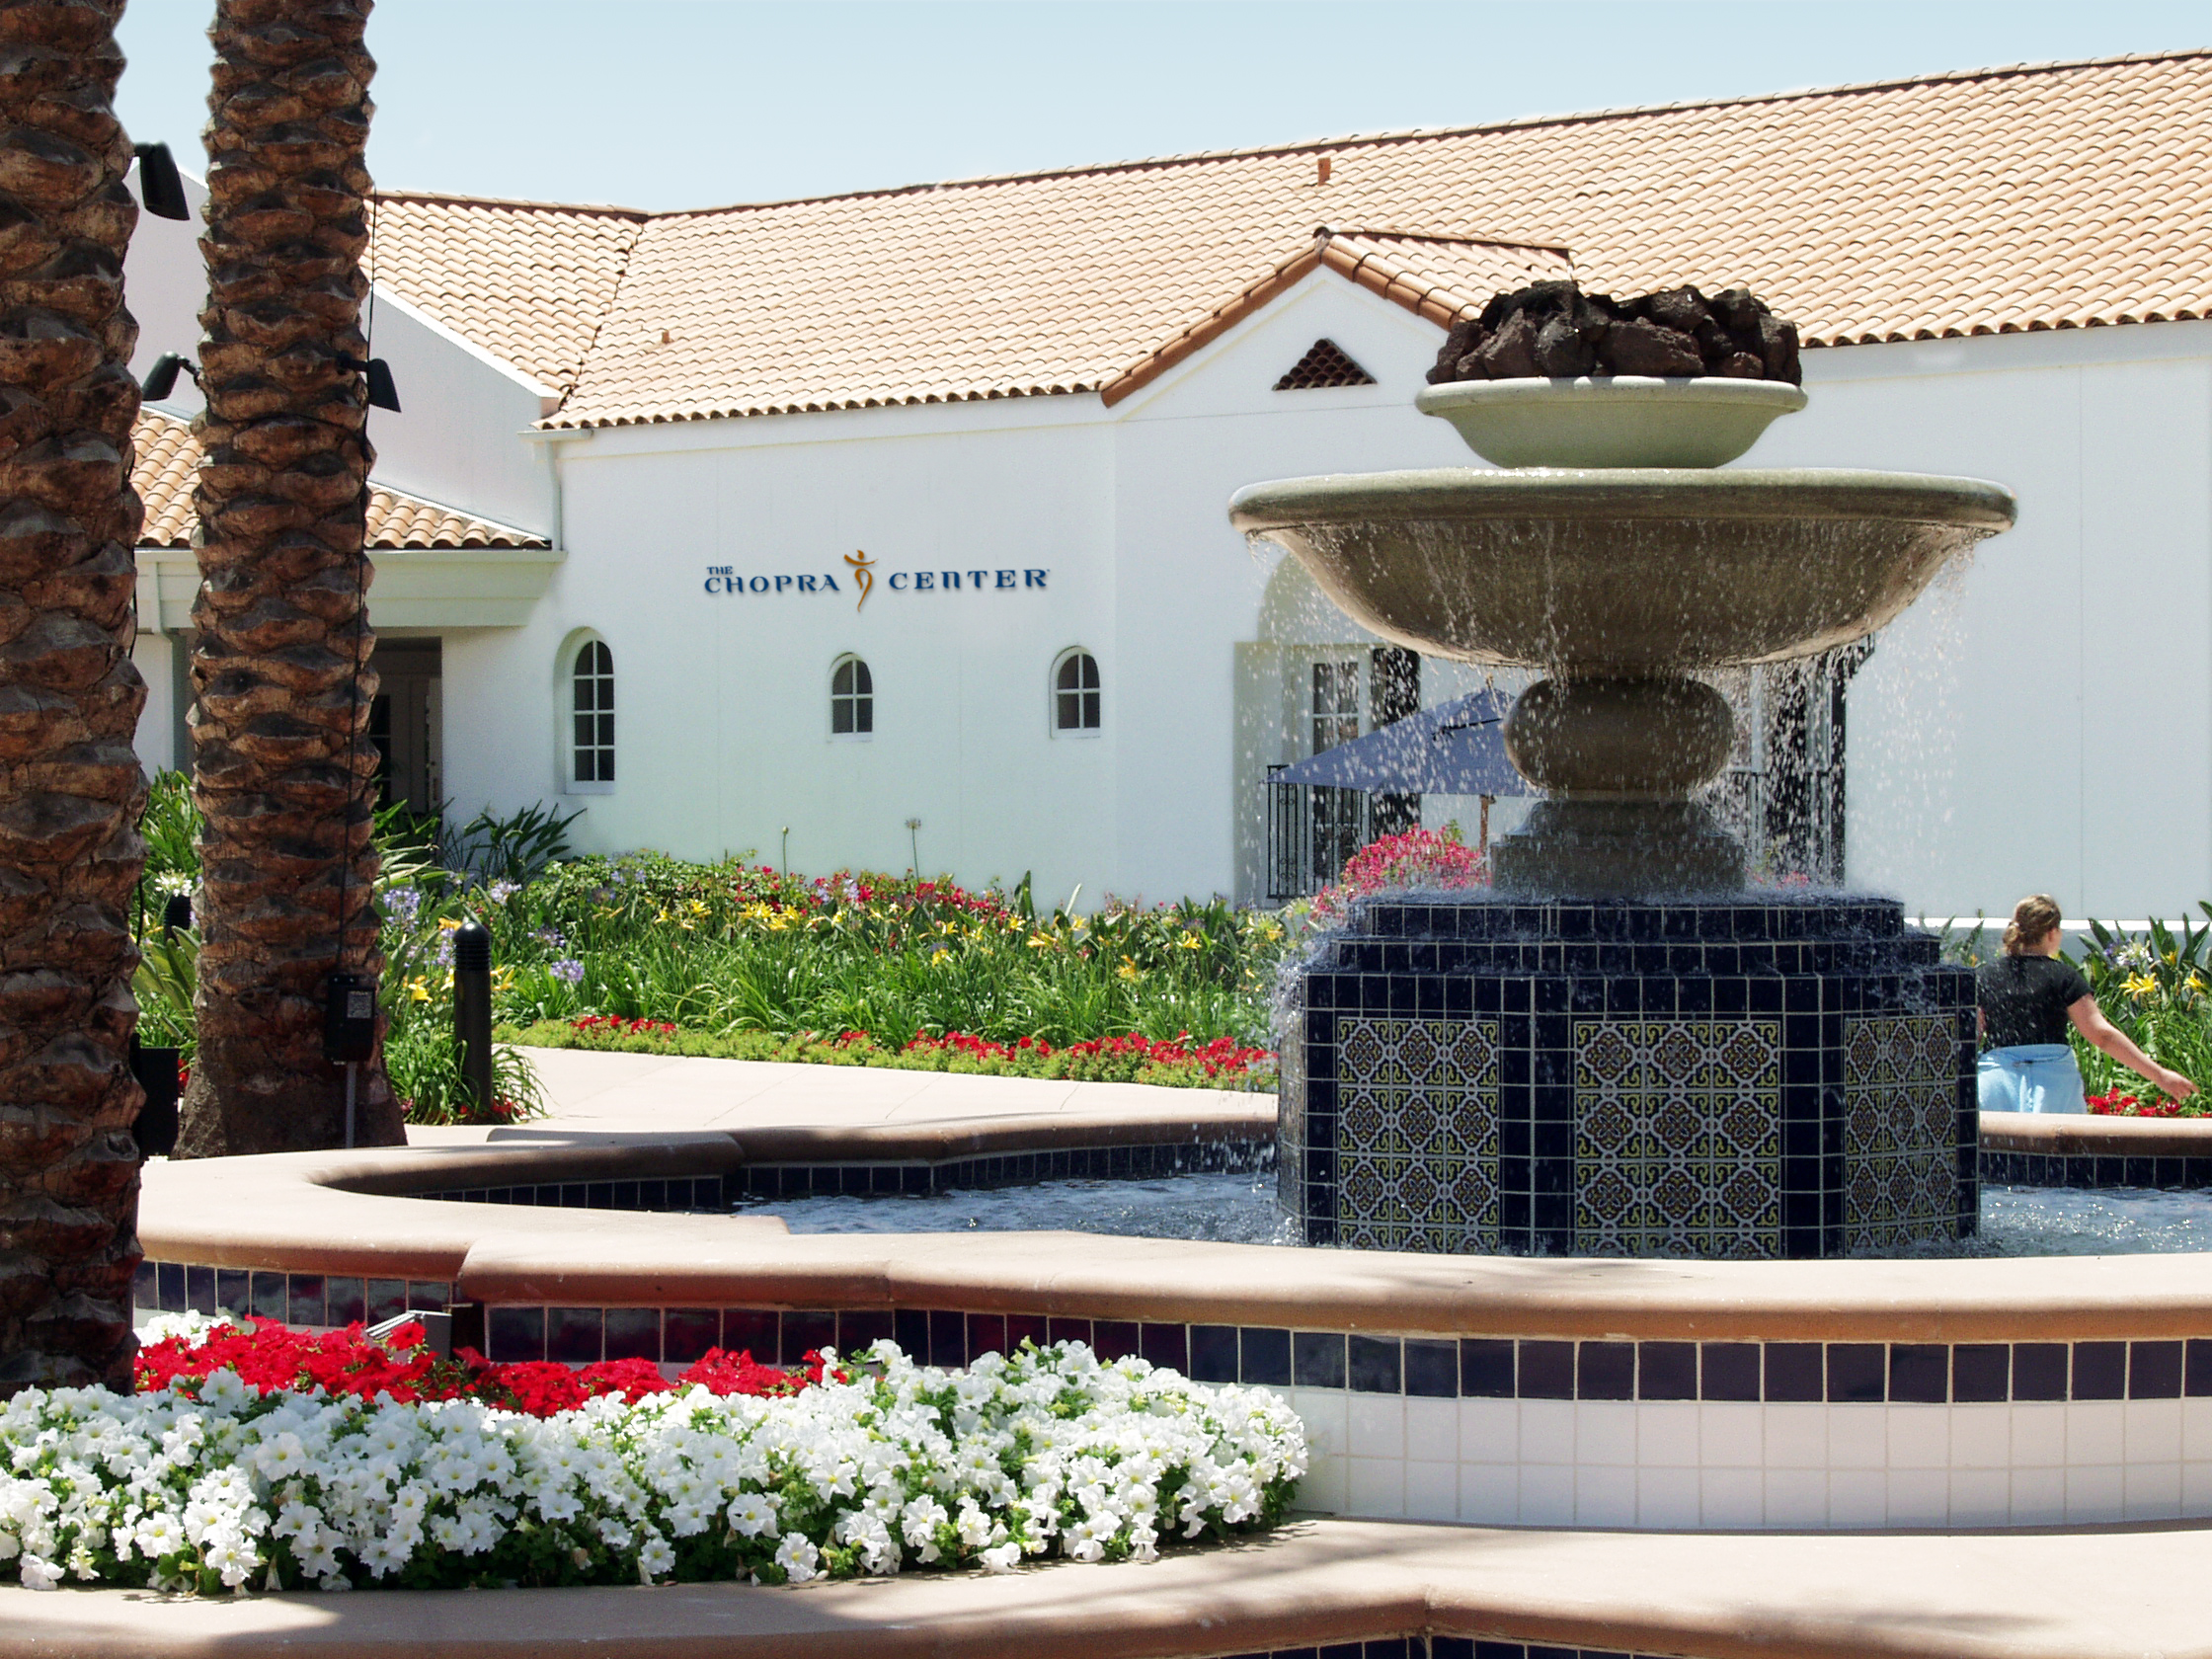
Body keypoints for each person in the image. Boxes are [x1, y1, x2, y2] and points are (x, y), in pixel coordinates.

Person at [1976, 894, 2197, 1114]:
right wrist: (2160, 1075)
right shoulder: (2064, 977)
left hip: (1997, 1083)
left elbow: (1971, 1035)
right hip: (2054, 1089)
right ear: (2052, 933)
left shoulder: (1986, 976)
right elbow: (2102, 1035)